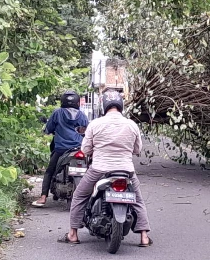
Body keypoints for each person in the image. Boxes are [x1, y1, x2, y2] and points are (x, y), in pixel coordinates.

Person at [58, 89, 152, 247]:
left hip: (100, 169)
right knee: (138, 200)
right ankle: (144, 237)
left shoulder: (95, 124)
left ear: (104, 106)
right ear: (120, 105)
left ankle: (73, 234)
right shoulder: (132, 125)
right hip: (126, 170)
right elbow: (137, 150)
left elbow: (86, 149)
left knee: (79, 196)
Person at [32, 90, 89, 207]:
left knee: (49, 171)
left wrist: (49, 131)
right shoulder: (82, 115)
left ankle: (43, 197)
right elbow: (86, 131)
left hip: (60, 149)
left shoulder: (57, 113)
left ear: (62, 101)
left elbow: (48, 128)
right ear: (77, 102)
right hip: (78, 149)